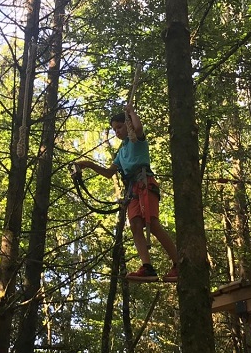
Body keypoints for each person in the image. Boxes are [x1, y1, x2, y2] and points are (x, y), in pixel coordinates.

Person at [74, 104, 179, 282]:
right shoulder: (121, 152)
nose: (117, 131)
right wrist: (89, 165)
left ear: (128, 125)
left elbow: (138, 128)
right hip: (132, 189)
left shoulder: (136, 140)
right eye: (114, 129)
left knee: (153, 224)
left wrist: (131, 112)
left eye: (120, 127)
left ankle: (178, 263)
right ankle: (147, 267)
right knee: (135, 225)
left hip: (145, 183)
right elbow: (109, 173)